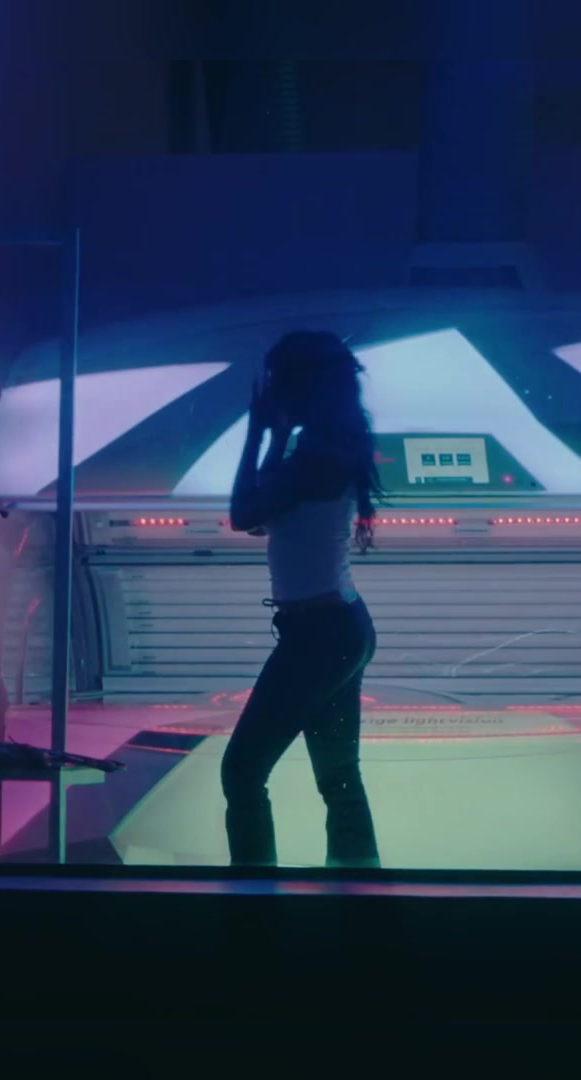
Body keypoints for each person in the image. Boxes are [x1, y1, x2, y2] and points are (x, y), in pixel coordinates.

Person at [223, 330, 386, 868]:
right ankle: (357, 893)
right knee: (339, 777)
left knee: (242, 770)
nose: (269, 392)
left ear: (300, 386)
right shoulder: (322, 449)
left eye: (276, 381)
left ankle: (254, 898)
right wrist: (276, 436)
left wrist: (256, 432)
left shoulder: (317, 458)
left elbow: (243, 514)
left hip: (319, 637)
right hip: (335, 629)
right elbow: (260, 519)